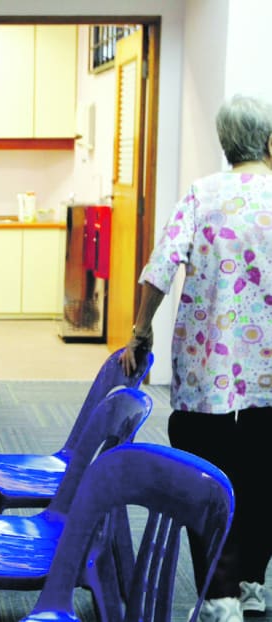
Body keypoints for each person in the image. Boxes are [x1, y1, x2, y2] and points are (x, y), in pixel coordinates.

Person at [121, 94, 272, 622]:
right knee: (263, 474)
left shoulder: (202, 194)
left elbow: (161, 266)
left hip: (208, 371)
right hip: (269, 374)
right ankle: (253, 585)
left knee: (207, 477)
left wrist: (141, 331)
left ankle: (219, 596)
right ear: (270, 142)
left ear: (225, 143)